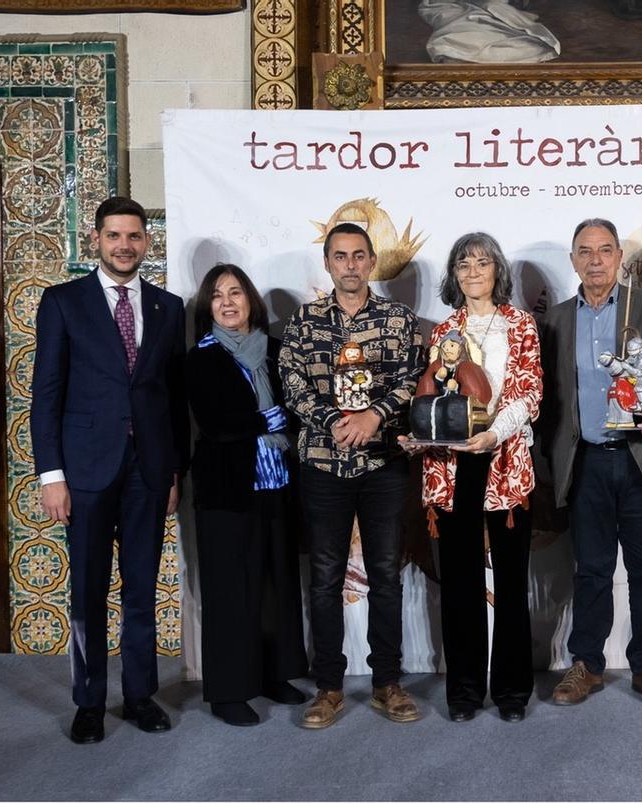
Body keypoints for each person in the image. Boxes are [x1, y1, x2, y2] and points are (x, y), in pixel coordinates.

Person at [30, 196, 189, 744]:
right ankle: (90, 701)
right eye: (114, 236)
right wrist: (51, 475)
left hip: (148, 470)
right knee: (88, 590)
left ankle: (141, 695)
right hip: (85, 472)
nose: (125, 246)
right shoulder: (63, 302)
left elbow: (172, 400)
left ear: (147, 242)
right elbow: (46, 394)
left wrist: (172, 473)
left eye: (135, 236)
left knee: (141, 588)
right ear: (96, 240)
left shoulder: (170, 307)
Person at [536, 218, 642, 708]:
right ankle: (586, 663)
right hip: (584, 463)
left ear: (620, 256)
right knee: (591, 571)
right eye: (585, 251)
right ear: (573, 260)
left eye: (605, 250)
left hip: (641, 459)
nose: (595, 260)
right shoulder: (556, 320)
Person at [281, 222, 424, 729]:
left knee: (386, 576)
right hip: (323, 464)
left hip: (382, 465)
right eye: (339, 256)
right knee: (324, 581)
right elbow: (293, 384)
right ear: (328, 263)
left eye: (358, 256)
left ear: (371, 262)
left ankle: (388, 681)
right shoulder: (304, 321)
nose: (349, 265)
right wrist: (335, 422)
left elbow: (414, 378)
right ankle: (329, 687)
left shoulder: (398, 319)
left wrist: (374, 416)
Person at [402, 233, 543, 723]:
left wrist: (494, 433)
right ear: (454, 276)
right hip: (452, 465)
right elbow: (435, 398)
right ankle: (463, 692)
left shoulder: (521, 326)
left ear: (497, 270)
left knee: (508, 583)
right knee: (459, 582)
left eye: (482, 262)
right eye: (463, 264)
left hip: (504, 460)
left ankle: (511, 692)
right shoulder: (444, 331)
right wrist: (420, 435)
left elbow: (529, 394)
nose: (473, 272)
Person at [185, 264, 308, 727]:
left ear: (251, 300)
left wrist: (277, 421)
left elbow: (297, 410)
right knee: (229, 590)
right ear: (208, 306)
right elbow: (215, 425)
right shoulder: (200, 358)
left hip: (276, 482)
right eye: (217, 296)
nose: (228, 302)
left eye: (236, 292)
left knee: (275, 583)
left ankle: (275, 673)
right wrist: (266, 421)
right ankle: (229, 691)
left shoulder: (275, 352)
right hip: (226, 489)